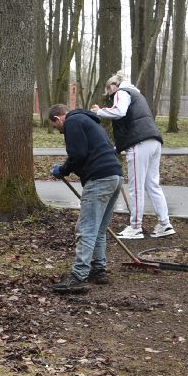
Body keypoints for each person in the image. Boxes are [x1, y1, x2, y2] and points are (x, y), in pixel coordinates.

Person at [48, 103, 124, 296]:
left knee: (86, 229)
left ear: (58, 118)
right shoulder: (90, 121)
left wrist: (62, 170)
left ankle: (79, 276)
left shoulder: (73, 122)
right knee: (99, 228)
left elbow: (78, 154)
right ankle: (99, 270)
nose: (58, 131)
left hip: (99, 178)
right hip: (115, 176)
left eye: (56, 127)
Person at [90, 74, 173, 239]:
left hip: (139, 143)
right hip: (154, 141)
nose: (110, 95)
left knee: (136, 188)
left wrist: (99, 111)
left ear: (114, 85)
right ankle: (164, 223)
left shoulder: (122, 92)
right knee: (152, 185)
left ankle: (135, 227)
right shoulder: (138, 95)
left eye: (109, 91)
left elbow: (120, 112)